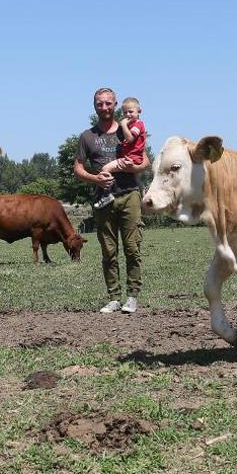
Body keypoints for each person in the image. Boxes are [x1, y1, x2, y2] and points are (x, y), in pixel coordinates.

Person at [75, 87, 144, 313]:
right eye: (99, 103)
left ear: (115, 105)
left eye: (108, 103)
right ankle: (114, 297)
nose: (104, 107)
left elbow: (146, 162)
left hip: (129, 194)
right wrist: (95, 178)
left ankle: (132, 296)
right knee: (108, 250)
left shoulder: (128, 128)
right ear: (94, 106)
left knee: (132, 248)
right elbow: (77, 168)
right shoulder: (87, 136)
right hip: (103, 199)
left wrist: (130, 165)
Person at [100, 97, 147, 178]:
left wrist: (124, 125)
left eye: (131, 112)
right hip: (132, 158)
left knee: (105, 169)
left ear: (139, 111)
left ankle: (107, 184)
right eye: (125, 113)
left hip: (131, 158)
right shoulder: (132, 125)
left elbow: (130, 139)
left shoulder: (138, 124)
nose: (128, 114)